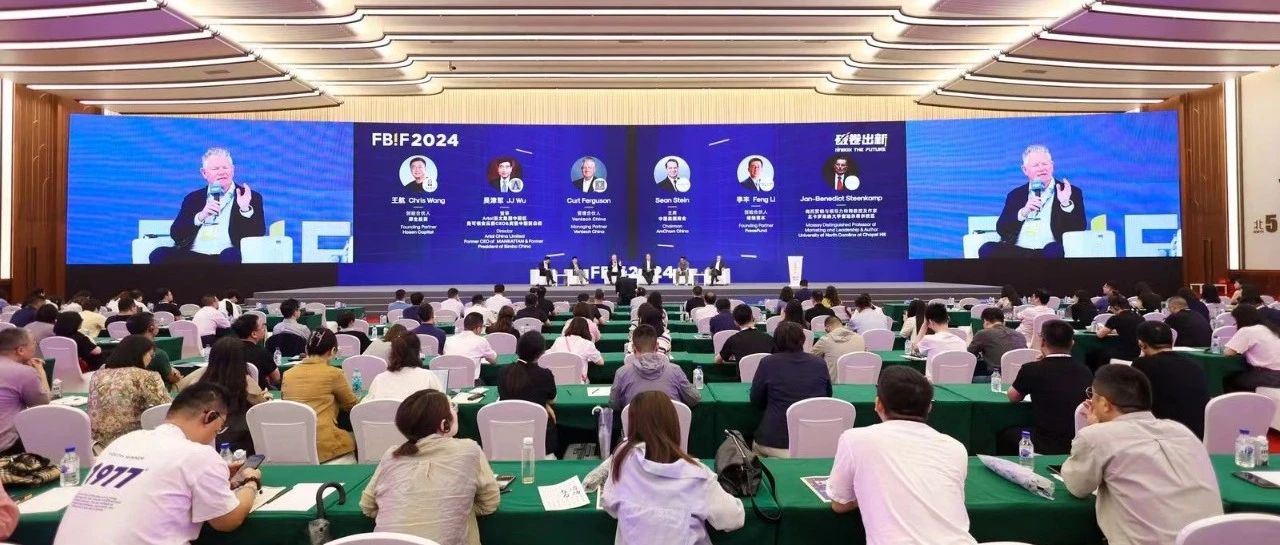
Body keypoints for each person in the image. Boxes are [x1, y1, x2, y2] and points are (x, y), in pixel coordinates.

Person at [52, 383, 264, 545]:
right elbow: (227, 521)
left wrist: (214, 478)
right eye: (218, 430)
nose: (214, 437)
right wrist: (251, 482)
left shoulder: (126, 441)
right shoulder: (198, 455)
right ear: (209, 417)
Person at [1062, 365, 1222, 545]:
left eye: (1092, 396)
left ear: (1105, 404)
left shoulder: (1096, 436)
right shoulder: (1182, 431)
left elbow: (1077, 487)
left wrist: (1095, 430)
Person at [827, 366, 976, 545]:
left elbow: (840, 504)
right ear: (929, 407)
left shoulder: (855, 439)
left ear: (878, 404)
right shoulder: (955, 447)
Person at [602, 391, 744, 544]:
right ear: (674, 424)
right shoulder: (698, 475)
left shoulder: (622, 460)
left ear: (633, 425)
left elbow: (610, 504)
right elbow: (733, 518)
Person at [360, 389, 499, 545]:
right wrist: (459, 508)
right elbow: (489, 503)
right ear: (444, 424)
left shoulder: (392, 455)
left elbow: (368, 506)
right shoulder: (469, 450)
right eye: (452, 407)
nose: (455, 411)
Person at [150, 147, 266, 264]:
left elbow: (257, 234)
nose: (222, 172)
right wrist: (200, 216)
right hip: (193, 255)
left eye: (225, 167)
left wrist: (245, 209)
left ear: (233, 169)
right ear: (204, 173)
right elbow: (176, 234)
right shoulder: (193, 198)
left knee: (231, 255)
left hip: (225, 256)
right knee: (159, 254)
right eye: (215, 168)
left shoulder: (250, 196)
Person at [980, 144, 1086, 259]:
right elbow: (1002, 229)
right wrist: (1023, 212)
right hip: (1018, 251)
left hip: (1048, 251)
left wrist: (1065, 204)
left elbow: (1079, 228)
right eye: (1036, 165)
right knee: (987, 249)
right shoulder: (1016, 195)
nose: (1041, 168)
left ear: (1052, 165)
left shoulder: (1070, 191)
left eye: (1045, 164)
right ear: (1025, 170)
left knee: (1054, 250)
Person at [1002, 320, 1092, 455]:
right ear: (1072, 343)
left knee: (1006, 435)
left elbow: (1013, 396)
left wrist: (1037, 365)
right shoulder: (1085, 370)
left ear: (1043, 342)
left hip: (1045, 442)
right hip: (1078, 441)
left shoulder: (1032, 369)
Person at [750, 322, 831, 457]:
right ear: (802, 340)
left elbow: (756, 399)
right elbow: (826, 397)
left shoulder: (768, 363)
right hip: (813, 440)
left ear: (776, 341)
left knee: (755, 451)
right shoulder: (819, 363)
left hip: (775, 441)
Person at [179, 337, 267, 453]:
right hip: (240, 443)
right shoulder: (245, 383)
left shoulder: (199, 380)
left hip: (201, 440)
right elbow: (261, 405)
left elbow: (180, 387)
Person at [282, 329, 358, 461]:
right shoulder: (334, 374)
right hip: (325, 445)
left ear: (306, 349)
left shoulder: (287, 374)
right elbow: (352, 405)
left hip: (295, 444)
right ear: (333, 351)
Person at [87, 335, 172, 448]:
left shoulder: (97, 375)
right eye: (151, 355)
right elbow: (166, 407)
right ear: (141, 354)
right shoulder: (147, 376)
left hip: (98, 445)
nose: (151, 359)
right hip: (132, 442)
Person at [1132, 321, 1208, 437]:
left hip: (1164, 434)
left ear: (1141, 344)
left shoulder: (1142, 364)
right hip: (1197, 434)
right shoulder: (1194, 365)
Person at [611, 325, 699, 412]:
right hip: (669, 421)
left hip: (635, 421)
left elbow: (614, 404)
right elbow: (693, 399)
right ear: (657, 346)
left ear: (633, 347)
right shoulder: (675, 370)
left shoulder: (622, 373)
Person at [497, 331, 559, 454]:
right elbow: (552, 399)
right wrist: (544, 404)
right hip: (541, 441)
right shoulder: (544, 374)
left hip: (508, 437)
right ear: (541, 353)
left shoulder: (503, 372)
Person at [0, 329, 49, 456]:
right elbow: (42, 404)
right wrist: (40, 371)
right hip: (6, 447)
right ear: (20, 350)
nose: (35, 346)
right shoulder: (23, 372)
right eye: (33, 343)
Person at [366, 334, 444, 402]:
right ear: (417, 353)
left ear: (393, 353)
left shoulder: (379, 379)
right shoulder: (429, 377)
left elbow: (365, 407)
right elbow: (445, 405)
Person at [1224, 304, 1280, 391]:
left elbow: (1228, 353)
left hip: (1268, 377)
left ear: (1240, 319)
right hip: (1274, 375)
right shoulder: (1271, 329)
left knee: (1228, 380)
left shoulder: (1247, 330)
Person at [124, 312, 182, 387]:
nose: (158, 325)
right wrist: (176, 376)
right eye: (155, 322)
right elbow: (171, 379)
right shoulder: (157, 354)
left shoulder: (123, 350)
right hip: (157, 390)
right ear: (151, 328)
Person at [967, 307, 1027, 373]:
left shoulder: (983, 333)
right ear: (1003, 322)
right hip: (1022, 374)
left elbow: (970, 354)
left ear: (985, 321)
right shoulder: (1019, 335)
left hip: (997, 376)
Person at [443, 313, 499, 384]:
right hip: (471, 383)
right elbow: (493, 360)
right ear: (478, 328)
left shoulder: (448, 340)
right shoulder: (481, 341)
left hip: (448, 382)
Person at [229, 313, 279, 389]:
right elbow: (276, 378)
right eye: (262, 327)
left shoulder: (226, 350)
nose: (264, 329)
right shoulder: (262, 353)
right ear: (254, 334)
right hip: (258, 393)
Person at [812, 315, 865, 380]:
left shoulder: (825, 339)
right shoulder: (860, 338)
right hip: (859, 380)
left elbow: (811, 357)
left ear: (827, 328)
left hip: (834, 382)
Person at [1097, 294, 1144, 362]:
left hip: (1122, 353)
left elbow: (1100, 335)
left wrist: (1100, 327)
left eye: (1111, 308)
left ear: (1116, 307)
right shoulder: (1140, 317)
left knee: (1098, 353)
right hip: (1137, 353)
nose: (1111, 310)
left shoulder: (1116, 318)